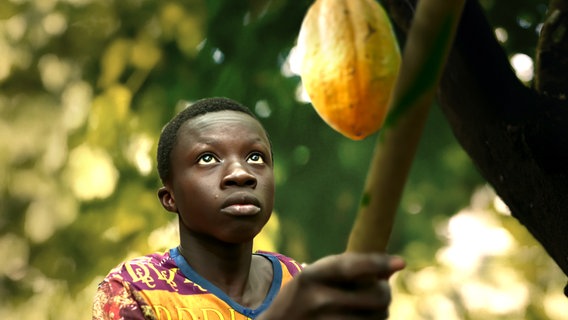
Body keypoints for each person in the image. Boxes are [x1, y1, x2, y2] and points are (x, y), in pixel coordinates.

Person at [93, 97, 405, 319]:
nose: (241, 173)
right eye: (207, 158)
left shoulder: (302, 285)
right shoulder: (134, 289)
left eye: (255, 157)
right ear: (170, 198)